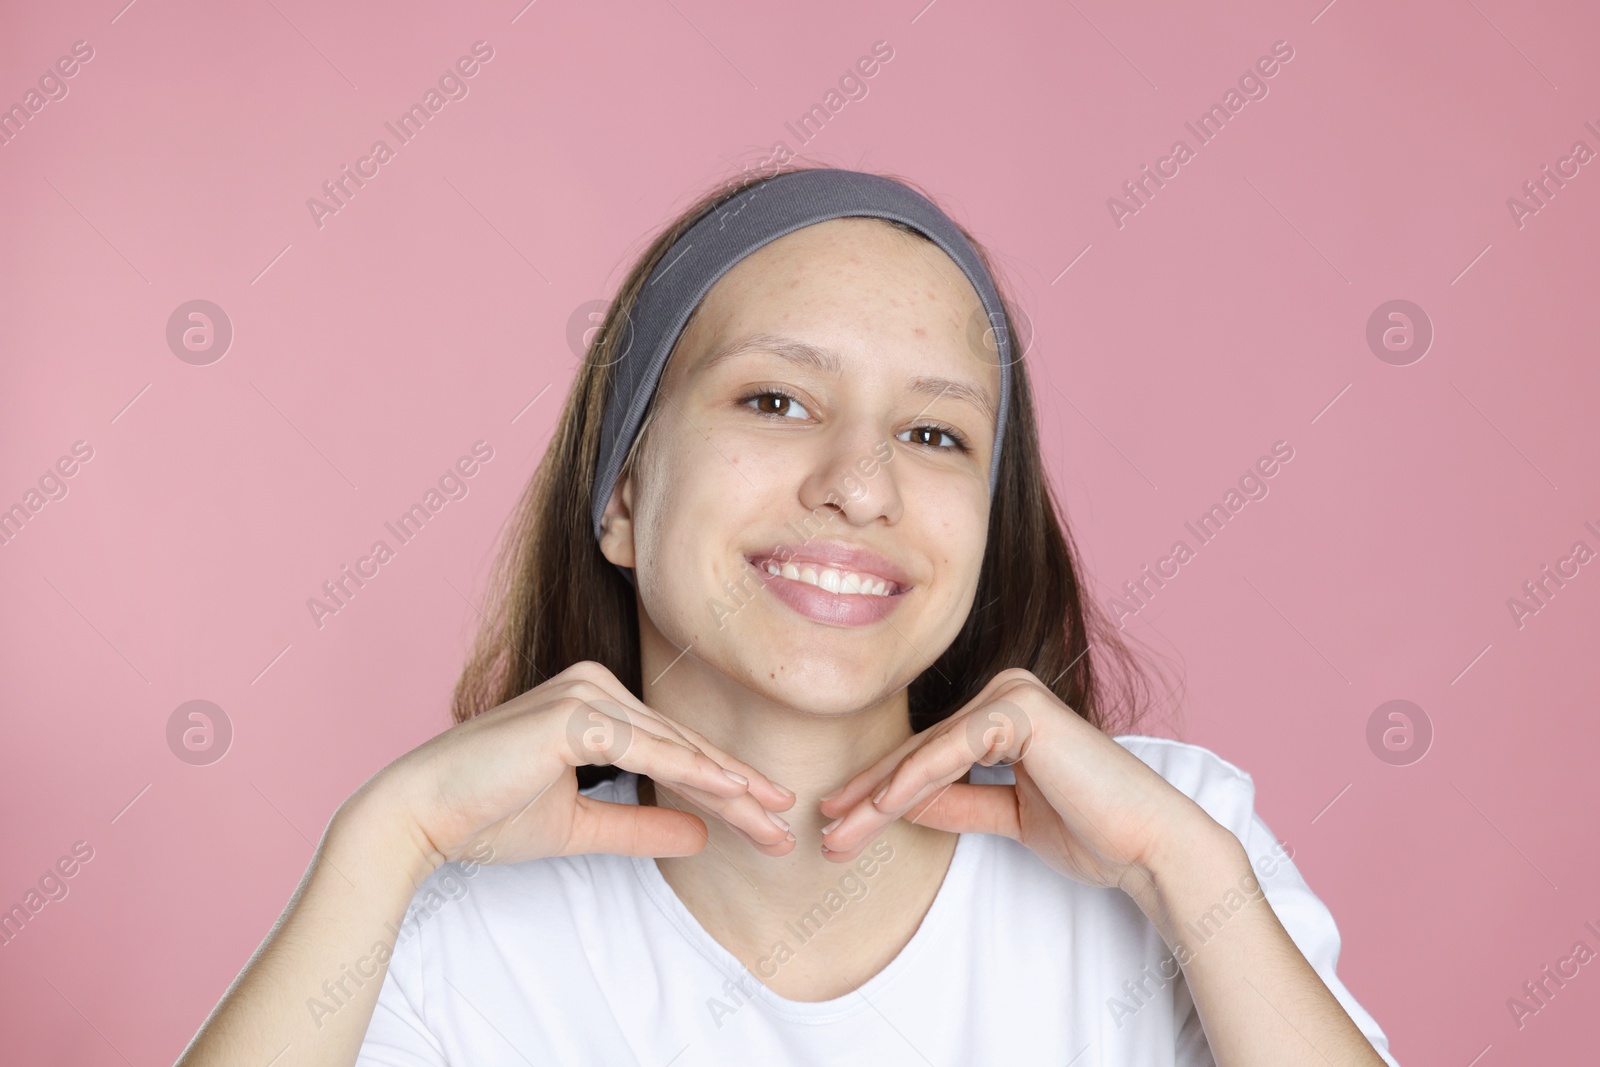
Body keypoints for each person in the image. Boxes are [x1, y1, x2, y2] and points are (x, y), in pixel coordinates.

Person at [173, 165, 1401, 1067]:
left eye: (933, 434)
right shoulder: (449, 925)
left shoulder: (1180, 840)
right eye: (774, 399)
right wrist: (383, 839)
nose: (860, 484)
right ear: (623, 490)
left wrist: (1185, 875)